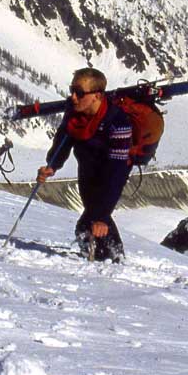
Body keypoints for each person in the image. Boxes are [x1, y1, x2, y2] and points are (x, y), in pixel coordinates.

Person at [36, 67, 134, 262]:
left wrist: (103, 216)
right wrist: (51, 166)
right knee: (90, 218)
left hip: (109, 173)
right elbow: (63, 141)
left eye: (79, 93)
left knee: (90, 222)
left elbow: (117, 172)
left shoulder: (118, 122)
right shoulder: (74, 114)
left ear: (97, 96)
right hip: (87, 168)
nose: (73, 97)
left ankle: (110, 261)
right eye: (72, 90)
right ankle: (109, 259)